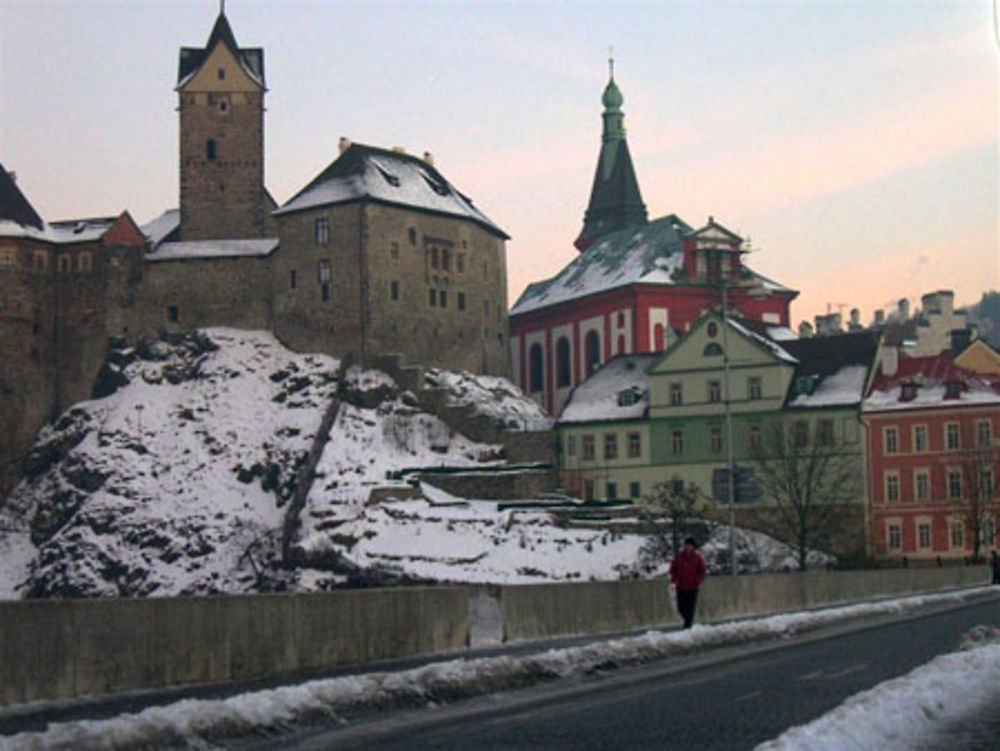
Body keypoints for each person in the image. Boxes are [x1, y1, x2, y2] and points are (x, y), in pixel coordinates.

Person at [669, 537, 706, 629]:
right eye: (687, 545)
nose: (688, 547)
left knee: (690, 608)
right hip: (681, 586)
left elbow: (702, 571)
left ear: (693, 547)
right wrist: (674, 579)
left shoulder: (697, 559)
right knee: (681, 607)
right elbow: (673, 569)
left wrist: (697, 580)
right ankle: (687, 621)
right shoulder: (679, 557)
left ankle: (687, 625)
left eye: (690, 545)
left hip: (692, 587)